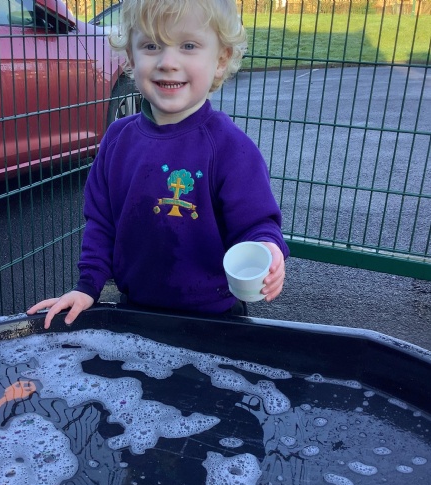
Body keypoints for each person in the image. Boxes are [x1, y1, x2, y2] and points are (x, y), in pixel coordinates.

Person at [28, 0, 289, 328]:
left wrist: (267, 247)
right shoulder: (117, 140)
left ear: (221, 60)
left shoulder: (230, 147)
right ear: (131, 57)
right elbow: (101, 223)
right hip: (136, 311)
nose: (167, 62)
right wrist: (87, 286)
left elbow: (256, 223)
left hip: (216, 320)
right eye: (151, 46)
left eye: (188, 46)